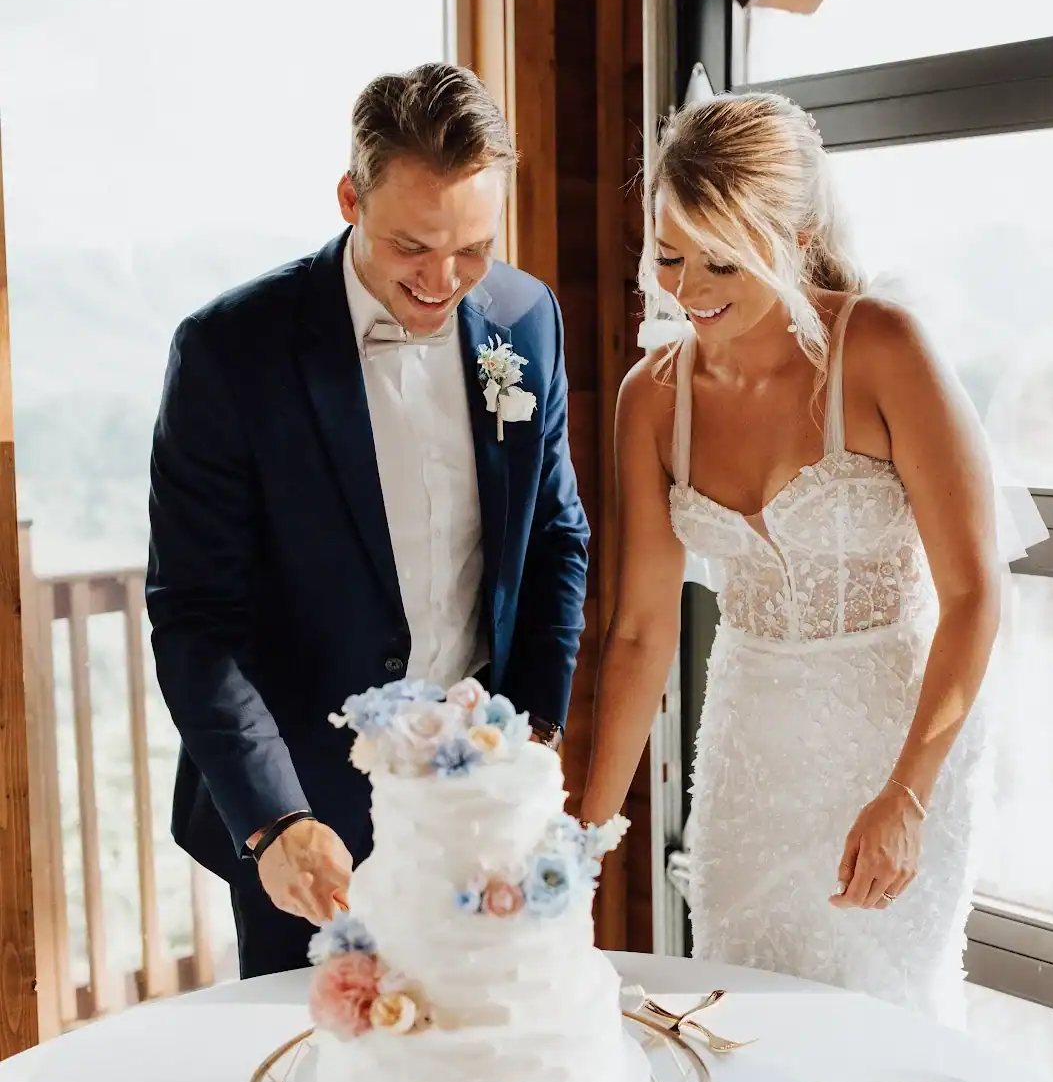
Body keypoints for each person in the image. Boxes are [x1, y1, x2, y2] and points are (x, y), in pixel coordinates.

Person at [147, 65, 589, 977]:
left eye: (474, 247)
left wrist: (531, 737)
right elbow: (196, 618)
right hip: (310, 818)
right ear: (351, 198)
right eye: (413, 248)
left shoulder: (525, 318)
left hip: (479, 789)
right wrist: (275, 819)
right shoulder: (231, 352)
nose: (445, 280)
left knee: (474, 1062)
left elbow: (556, 535)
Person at [579, 94, 1002, 1022]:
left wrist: (908, 795)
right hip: (748, 743)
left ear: (798, 236)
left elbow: (974, 594)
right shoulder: (651, 400)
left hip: (894, 742)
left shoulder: (884, 349)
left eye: (722, 260)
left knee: (882, 1016)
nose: (688, 291)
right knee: (743, 1010)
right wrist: (582, 841)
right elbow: (643, 632)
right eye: (670, 256)